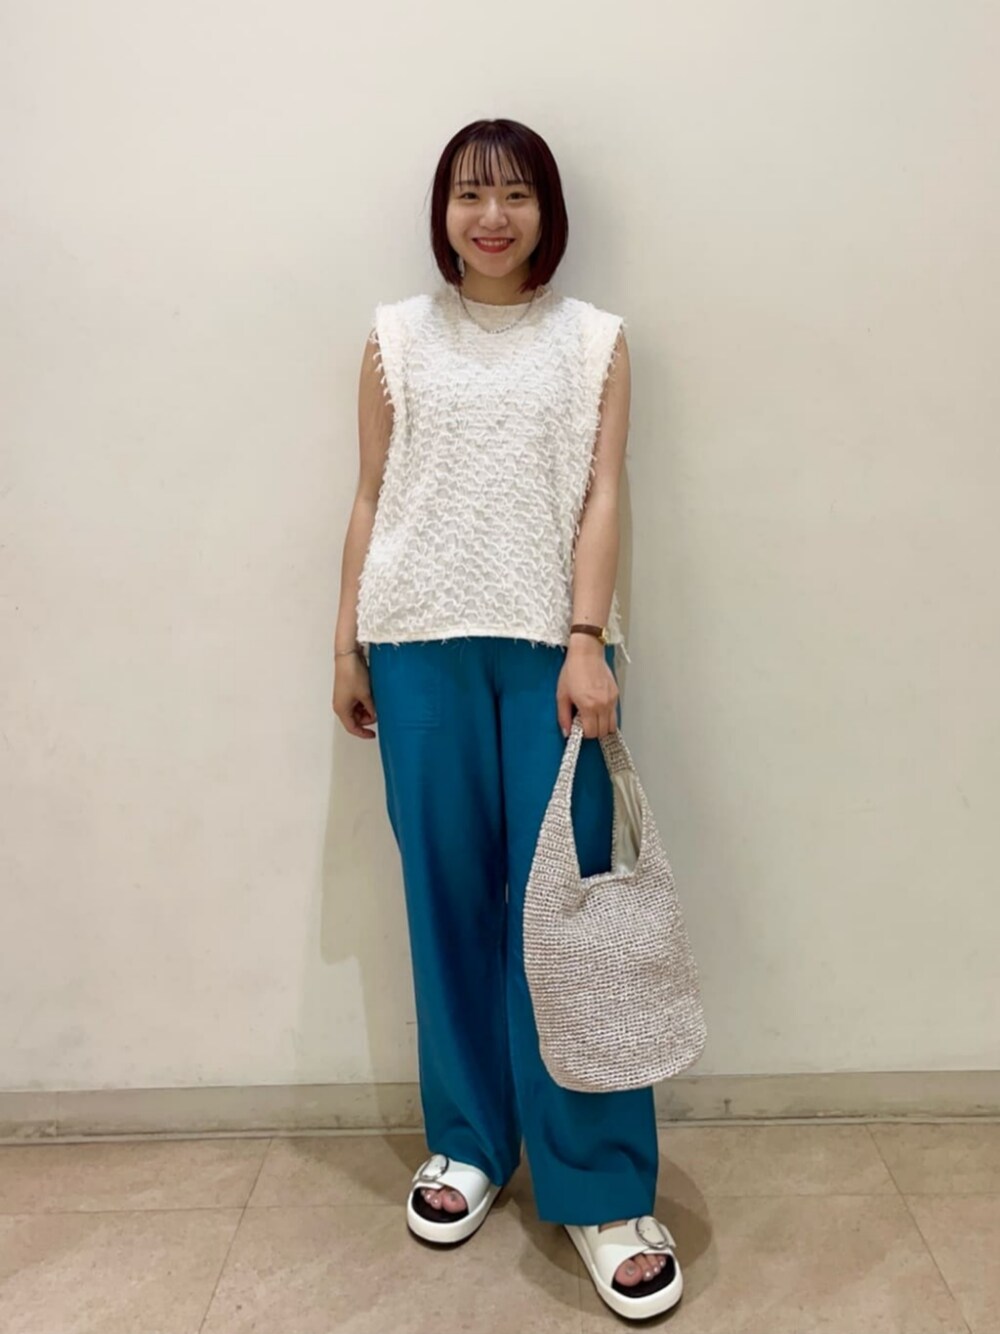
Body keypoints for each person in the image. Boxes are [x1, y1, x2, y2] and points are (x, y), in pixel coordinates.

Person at [331, 118, 682, 1321]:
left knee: (567, 915)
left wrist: (586, 638)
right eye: (470, 194)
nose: (492, 217)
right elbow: (371, 494)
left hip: (551, 653)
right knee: (444, 899)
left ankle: (601, 1185)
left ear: (547, 211)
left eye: (516, 194)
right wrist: (347, 641)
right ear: (442, 210)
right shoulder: (393, 337)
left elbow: (602, 493)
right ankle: (472, 1139)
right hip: (415, 644)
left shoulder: (595, 341)